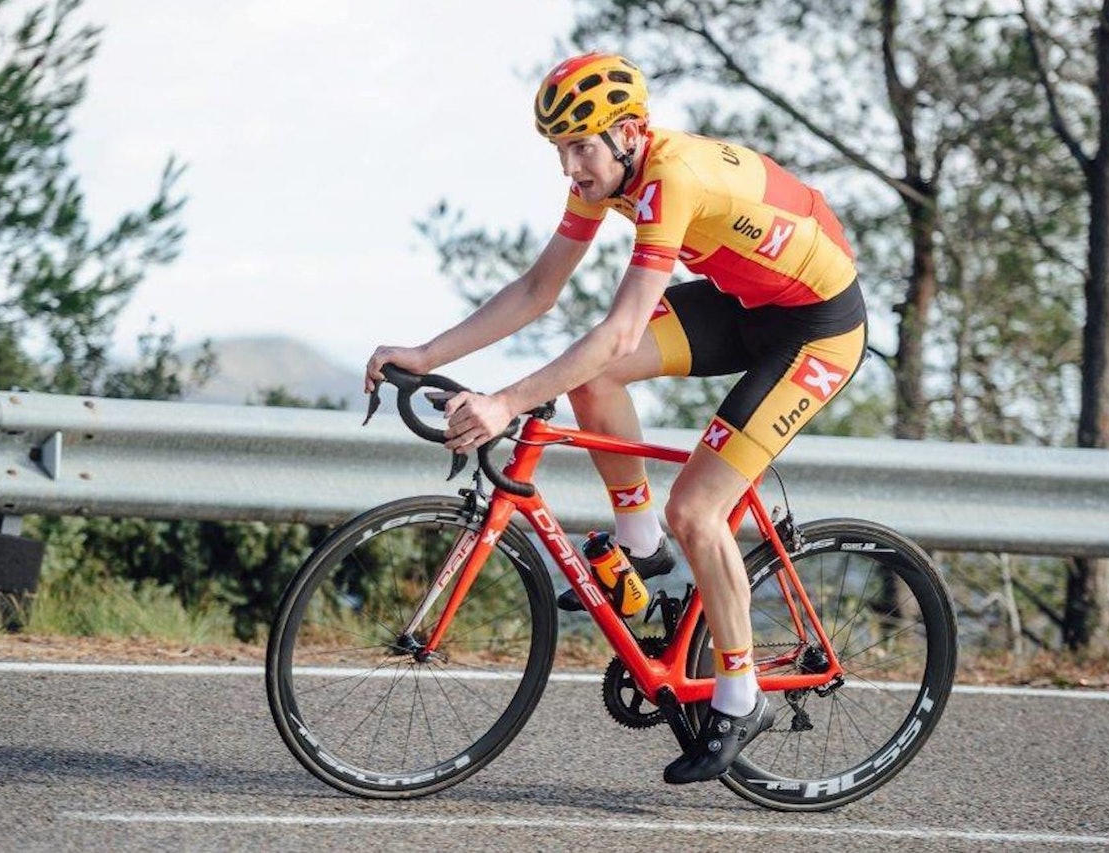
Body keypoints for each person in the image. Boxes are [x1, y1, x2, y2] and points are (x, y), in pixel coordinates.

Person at [365, 51, 866, 784]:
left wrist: (506, 400)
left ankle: (739, 693)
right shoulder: (608, 174)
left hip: (816, 326)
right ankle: (641, 541)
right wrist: (426, 349)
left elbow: (623, 329)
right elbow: (540, 286)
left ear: (629, 133)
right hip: (746, 303)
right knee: (592, 380)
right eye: (559, 151)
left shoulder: (673, 177)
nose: (569, 168)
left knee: (700, 506)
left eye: (579, 147)